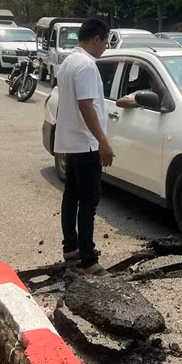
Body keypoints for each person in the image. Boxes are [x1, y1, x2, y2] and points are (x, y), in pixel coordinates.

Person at [53, 18, 115, 275]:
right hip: (87, 144)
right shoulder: (87, 65)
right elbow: (86, 105)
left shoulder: (69, 61)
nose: (105, 48)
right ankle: (88, 260)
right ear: (96, 39)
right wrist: (103, 141)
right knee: (89, 202)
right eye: (105, 42)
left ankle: (71, 247)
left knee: (72, 196)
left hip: (71, 142)